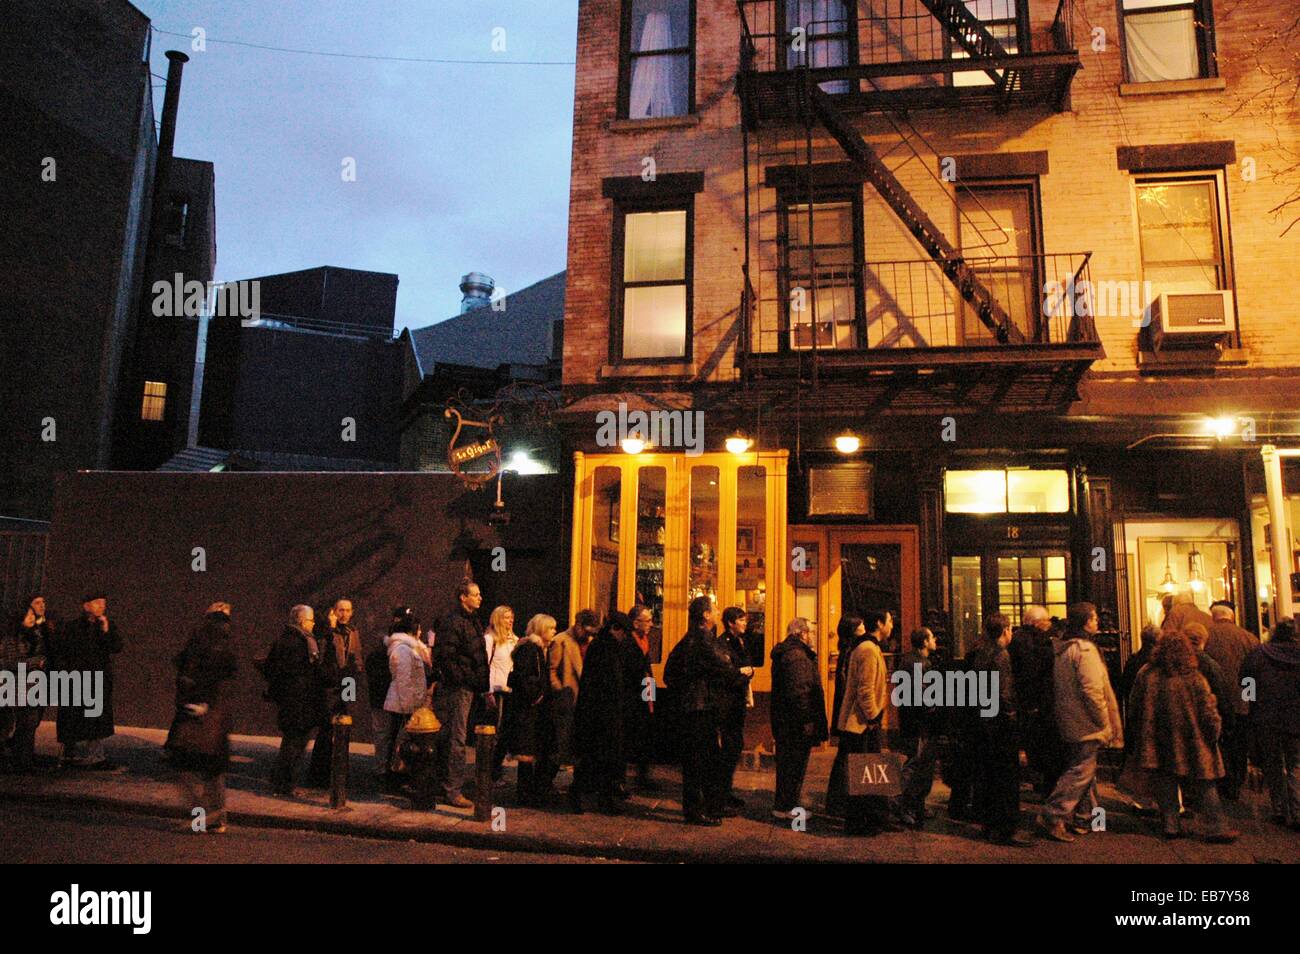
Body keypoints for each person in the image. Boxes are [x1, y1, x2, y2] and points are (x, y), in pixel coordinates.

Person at [1127, 631, 1238, 842]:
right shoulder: (1194, 677)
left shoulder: (1147, 674)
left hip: (1158, 738)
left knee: (1165, 780)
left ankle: (1171, 824)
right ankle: (1215, 826)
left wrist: (1139, 732)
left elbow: (1135, 705)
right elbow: (1208, 711)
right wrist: (1214, 735)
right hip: (1192, 738)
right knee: (1205, 783)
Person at [1038, 602, 1123, 843]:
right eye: (1095, 618)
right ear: (1086, 622)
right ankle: (1053, 814)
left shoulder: (1063, 649)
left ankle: (1089, 818)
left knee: (1086, 769)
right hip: (1085, 722)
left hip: (1069, 717)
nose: (1098, 622)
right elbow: (1092, 691)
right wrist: (1104, 722)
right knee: (1081, 771)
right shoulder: (1085, 650)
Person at [665, 596, 748, 826]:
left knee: (704, 759)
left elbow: (669, 673)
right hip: (699, 708)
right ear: (706, 615)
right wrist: (743, 674)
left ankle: (711, 806)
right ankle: (696, 811)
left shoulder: (688, 638)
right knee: (699, 761)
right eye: (714, 609)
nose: (718, 611)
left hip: (695, 706)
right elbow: (725, 669)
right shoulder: (703, 639)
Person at [165, 602, 237, 833]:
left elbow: (190, 671)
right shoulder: (228, 643)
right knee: (213, 770)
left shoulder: (202, 639)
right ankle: (216, 817)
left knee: (181, 765)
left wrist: (194, 701)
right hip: (217, 716)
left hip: (198, 715)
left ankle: (204, 815)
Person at [836, 609, 899, 836]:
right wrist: (873, 717)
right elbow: (865, 690)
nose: (892, 625)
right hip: (861, 723)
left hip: (865, 722)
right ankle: (861, 823)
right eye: (889, 621)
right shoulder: (868, 650)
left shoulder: (870, 648)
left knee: (873, 772)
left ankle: (876, 818)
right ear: (880, 623)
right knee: (864, 775)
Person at [969, 614, 1031, 846]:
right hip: (1000, 726)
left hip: (984, 723)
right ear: (1005, 630)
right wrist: (1013, 722)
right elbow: (1005, 695)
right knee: (1006, 779)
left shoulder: (981, 654)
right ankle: (1006, 828)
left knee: (988, 776)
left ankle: (988, 824)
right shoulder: (1001, 655)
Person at [50, 592, 123, 769]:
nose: (101, 606)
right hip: (76, 679)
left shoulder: (106, 625)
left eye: (103, 603)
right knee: (71, 717)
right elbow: (62, 650)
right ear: (86, 606)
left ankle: (96, 756)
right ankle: (67, 754)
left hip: (97, 680)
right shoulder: (73, 627)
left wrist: (106, 631)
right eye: (97, 603)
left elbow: (116, 647)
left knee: (95, 718)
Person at [431, 578, 487, 809]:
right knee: (456, 738)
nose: (479, 598)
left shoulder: (471, 621)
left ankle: (445, 785)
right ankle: (452, 789)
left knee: (454, 737)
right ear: (463, 597)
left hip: (467, 687)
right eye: (475, 594)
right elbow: (447, 656)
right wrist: (465, 678)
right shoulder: (455, 622)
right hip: (458, 689)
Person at [262, 604, 329, 797]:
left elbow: (270, 667)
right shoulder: (301, 642)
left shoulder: (285, 639)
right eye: (310, 620)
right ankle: (283, 784)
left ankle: (280, 781)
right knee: (295, 743)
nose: (313, 623)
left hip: (292, 701)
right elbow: (308, 671)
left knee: (292, 741)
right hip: (300, 700)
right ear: (301, 621)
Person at [1241, 617, 1300, 830]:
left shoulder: (1259, 654)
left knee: (1273, 764)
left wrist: (1251, 701)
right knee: (1295, 765)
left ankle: (1278, 809)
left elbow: (1246, 680)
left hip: (1267, 718)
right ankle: (1297, 810)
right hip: (1295, 718)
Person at [570, 612, 632, 815]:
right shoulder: (605, 647)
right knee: (598, 759)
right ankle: (596, 799)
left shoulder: (608, 646)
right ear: (616, 629)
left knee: (599, 759)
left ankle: (595, 798)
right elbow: (603, 683)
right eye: (624, 632)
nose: (625, 636)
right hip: (600, 714)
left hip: (603, 712)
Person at [769, 617, 826, 820]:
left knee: (788, 764)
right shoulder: (797, 657)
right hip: (795, 722)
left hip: (786, 720)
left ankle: (784, 804)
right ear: (801, 633)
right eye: (810, 632)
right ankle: (787, 806)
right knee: (794, 765)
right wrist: (807, 720)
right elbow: (800, 691)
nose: (813, 636)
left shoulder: (789, 653)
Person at [1204, 601, 1259, 800]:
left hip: (1215, 701)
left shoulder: (1206, 636)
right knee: (1239, 744)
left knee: (1220, 743)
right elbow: (1253, 674)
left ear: (1213, 616)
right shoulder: (1248, 638)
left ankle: (1222, 780)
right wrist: (1249, 700)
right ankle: (1237, 782)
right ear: (1232, 616)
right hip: (1240, 702)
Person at [1009, 604, 1063, 795]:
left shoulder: (1018, 639)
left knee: (1035, 746)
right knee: (1041, 746)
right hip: (1036, 702)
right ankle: (1043, 784)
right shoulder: (1032, 642)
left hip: (1029, 701)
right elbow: (1032, 670)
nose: (1048, 624)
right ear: (1036, 623)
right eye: (1045, 621)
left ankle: (1039, 782)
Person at [310, 598, 363, 787]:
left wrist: (356, 675)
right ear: (334, 611)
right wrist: (330, 628)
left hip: (347, 680)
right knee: (327, 725)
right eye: (341, 610)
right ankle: (319, 773)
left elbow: (356, 655)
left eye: (348, 610)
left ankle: (341, 770)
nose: (344, 614)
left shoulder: (353, 631)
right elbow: (322, 654)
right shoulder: (326, 631)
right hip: (330, 683)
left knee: (345, 721)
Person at [505, 614, 556, 806]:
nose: (554, 632)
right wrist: (537, 696)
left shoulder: (538, 649)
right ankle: (525, 794)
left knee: (530, 751)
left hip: (531, 709)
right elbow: (525, 677)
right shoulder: (530, 649)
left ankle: (528, 792)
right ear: (541, 629)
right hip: (528, 710)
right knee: (526, 752)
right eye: (551, 628)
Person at [380, 610, 430, 793]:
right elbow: (403, 680)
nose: (421, 632)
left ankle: (398, 778)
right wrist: (409, 707)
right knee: (399, 744)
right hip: (402, 705)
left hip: (407, 703)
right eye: (419, 629)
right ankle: (395, 780)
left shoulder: (410, 648)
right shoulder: (402, 650)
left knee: (400, 743)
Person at [1, 595, 53, 772]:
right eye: (28, 615)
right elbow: (10, 662)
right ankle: (19, 761)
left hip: (33, 686)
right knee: (18, 726)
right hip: (17, 687)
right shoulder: (13, 638)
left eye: (32, 615)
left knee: (29, 726)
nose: (32, 617)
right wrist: (35, 662)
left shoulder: (36, 635)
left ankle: (25, 760)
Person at [895, 627, 941, 829]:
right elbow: (922, 696)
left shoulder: (912, 661)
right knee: (916, 763)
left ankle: (915, 804)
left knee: (920, 763)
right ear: (924, 642)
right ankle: (902, 804)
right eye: (932, 637)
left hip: (913, 720)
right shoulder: (918, 664)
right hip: (919, 722)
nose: (935, 640)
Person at [547, 608, 597, 780]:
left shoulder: (590, 643)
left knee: (574, 748)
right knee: (560, 747)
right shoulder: (561, 641)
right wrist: (560, 690)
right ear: (578, 625)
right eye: (587, 630)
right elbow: (551, 670)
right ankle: (542, 783)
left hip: (582, 702)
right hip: (567, 700)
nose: (588, 635)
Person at [825, 615, 865, 817]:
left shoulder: (847, 651)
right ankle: (840, 801)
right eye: (860, 624)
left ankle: (837, 800)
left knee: (845, 756)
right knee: (847, 757)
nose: (863, 626)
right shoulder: (853, 652)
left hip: (845, 712)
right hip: (850, 714)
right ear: (853, 629)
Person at [717, 606, 756, 808]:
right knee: (729, 747)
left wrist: (746, 673)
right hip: (728, 703)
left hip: (738, 701)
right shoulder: (723, 644)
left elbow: (747, 668)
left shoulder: (741, 642)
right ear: (731, 623)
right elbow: (728, 675)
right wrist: (743, 674)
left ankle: (726, 790)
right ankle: (720, 793)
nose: (745, 623)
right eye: (741, 619)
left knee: (735, 746)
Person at [621, 604, 657, 792]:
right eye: (648, 620)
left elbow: (647, 671)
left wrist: (650, 698)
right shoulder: (628, 643)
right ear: (636, 623)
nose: (651, 624)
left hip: (644, 696)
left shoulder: (645, 641)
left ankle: (643, 776)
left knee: (645, 736)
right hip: (631, 698)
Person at [483, 605, 518, 780]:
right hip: (496, 691)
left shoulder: (514, 640)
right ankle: (489, 772)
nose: (510, 620)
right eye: (506, 617)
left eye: (511, 617)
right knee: (494, 733)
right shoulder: (490, 639)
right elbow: (485, 666)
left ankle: (496, 769)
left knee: (505, 733)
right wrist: (487, 692)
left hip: (510, 691)